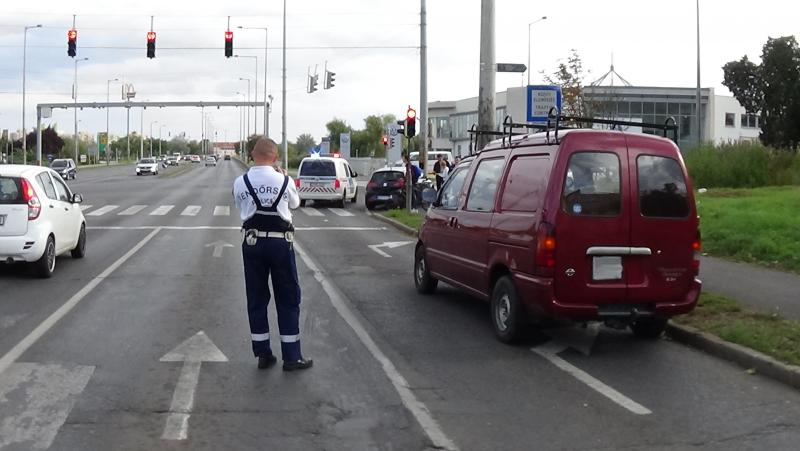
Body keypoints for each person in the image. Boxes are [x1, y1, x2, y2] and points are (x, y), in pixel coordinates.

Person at [233, 137, 313, 372]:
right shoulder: (284, 180)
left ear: (252, 156)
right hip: (280, 244)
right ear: (275, 157)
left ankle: (263, 354)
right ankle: (291, 356)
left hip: (252, 242)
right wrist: (282, 178)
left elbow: (241, 207)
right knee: (288, 298)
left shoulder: (241, 181)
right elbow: (296, 204)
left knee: (257, 299)